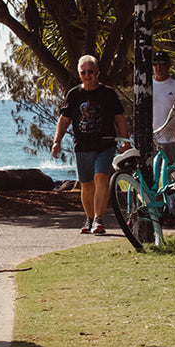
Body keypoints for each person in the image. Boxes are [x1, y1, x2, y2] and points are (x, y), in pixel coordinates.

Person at [50, 55, 129, 235]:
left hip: (105, 144)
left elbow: (119, 118)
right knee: (86, 184)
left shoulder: (108, 93)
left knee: (101, 177)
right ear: (79, 74)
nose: (87, 75)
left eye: (90, 72)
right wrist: (57, 141)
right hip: (83, 146)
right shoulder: (74, 94)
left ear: (97, 73)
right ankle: (89, 218)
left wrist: (125, 141)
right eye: (83, 72)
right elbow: (64, 120)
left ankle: (99, 219)